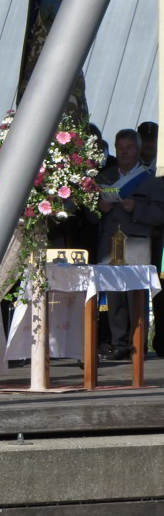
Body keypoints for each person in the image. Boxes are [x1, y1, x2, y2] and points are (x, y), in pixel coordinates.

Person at [95, 129, 164, 361]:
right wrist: (99, 209)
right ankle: (118, 344)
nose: (124, 152)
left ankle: (137, 343)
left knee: (135, 295)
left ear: (138, 148)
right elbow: (89, 216)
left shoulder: (152, 179)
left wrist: (137, 209)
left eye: (130, 147)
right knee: (114, 295)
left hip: (136, 242)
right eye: (121, 148)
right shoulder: (105, 177)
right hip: (110, 242)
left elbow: (159, 214)